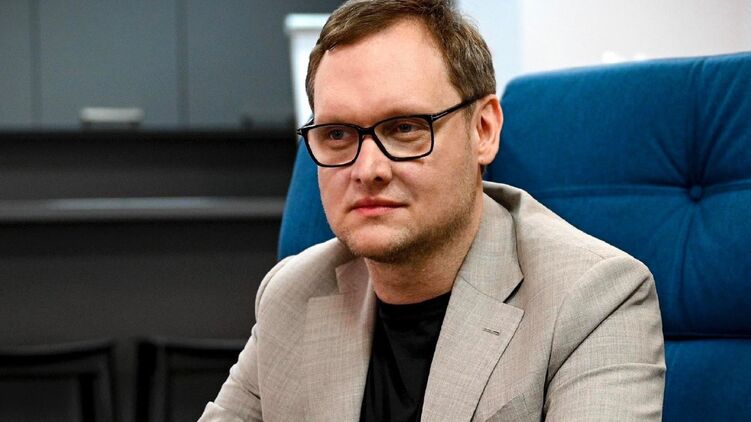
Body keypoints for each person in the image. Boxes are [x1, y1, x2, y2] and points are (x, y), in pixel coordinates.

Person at [199, 0, 665, 420]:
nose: (368, 169)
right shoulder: (291, 292)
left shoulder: (593, 299)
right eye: (337, 134)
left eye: (404, 127)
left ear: (483, 130)